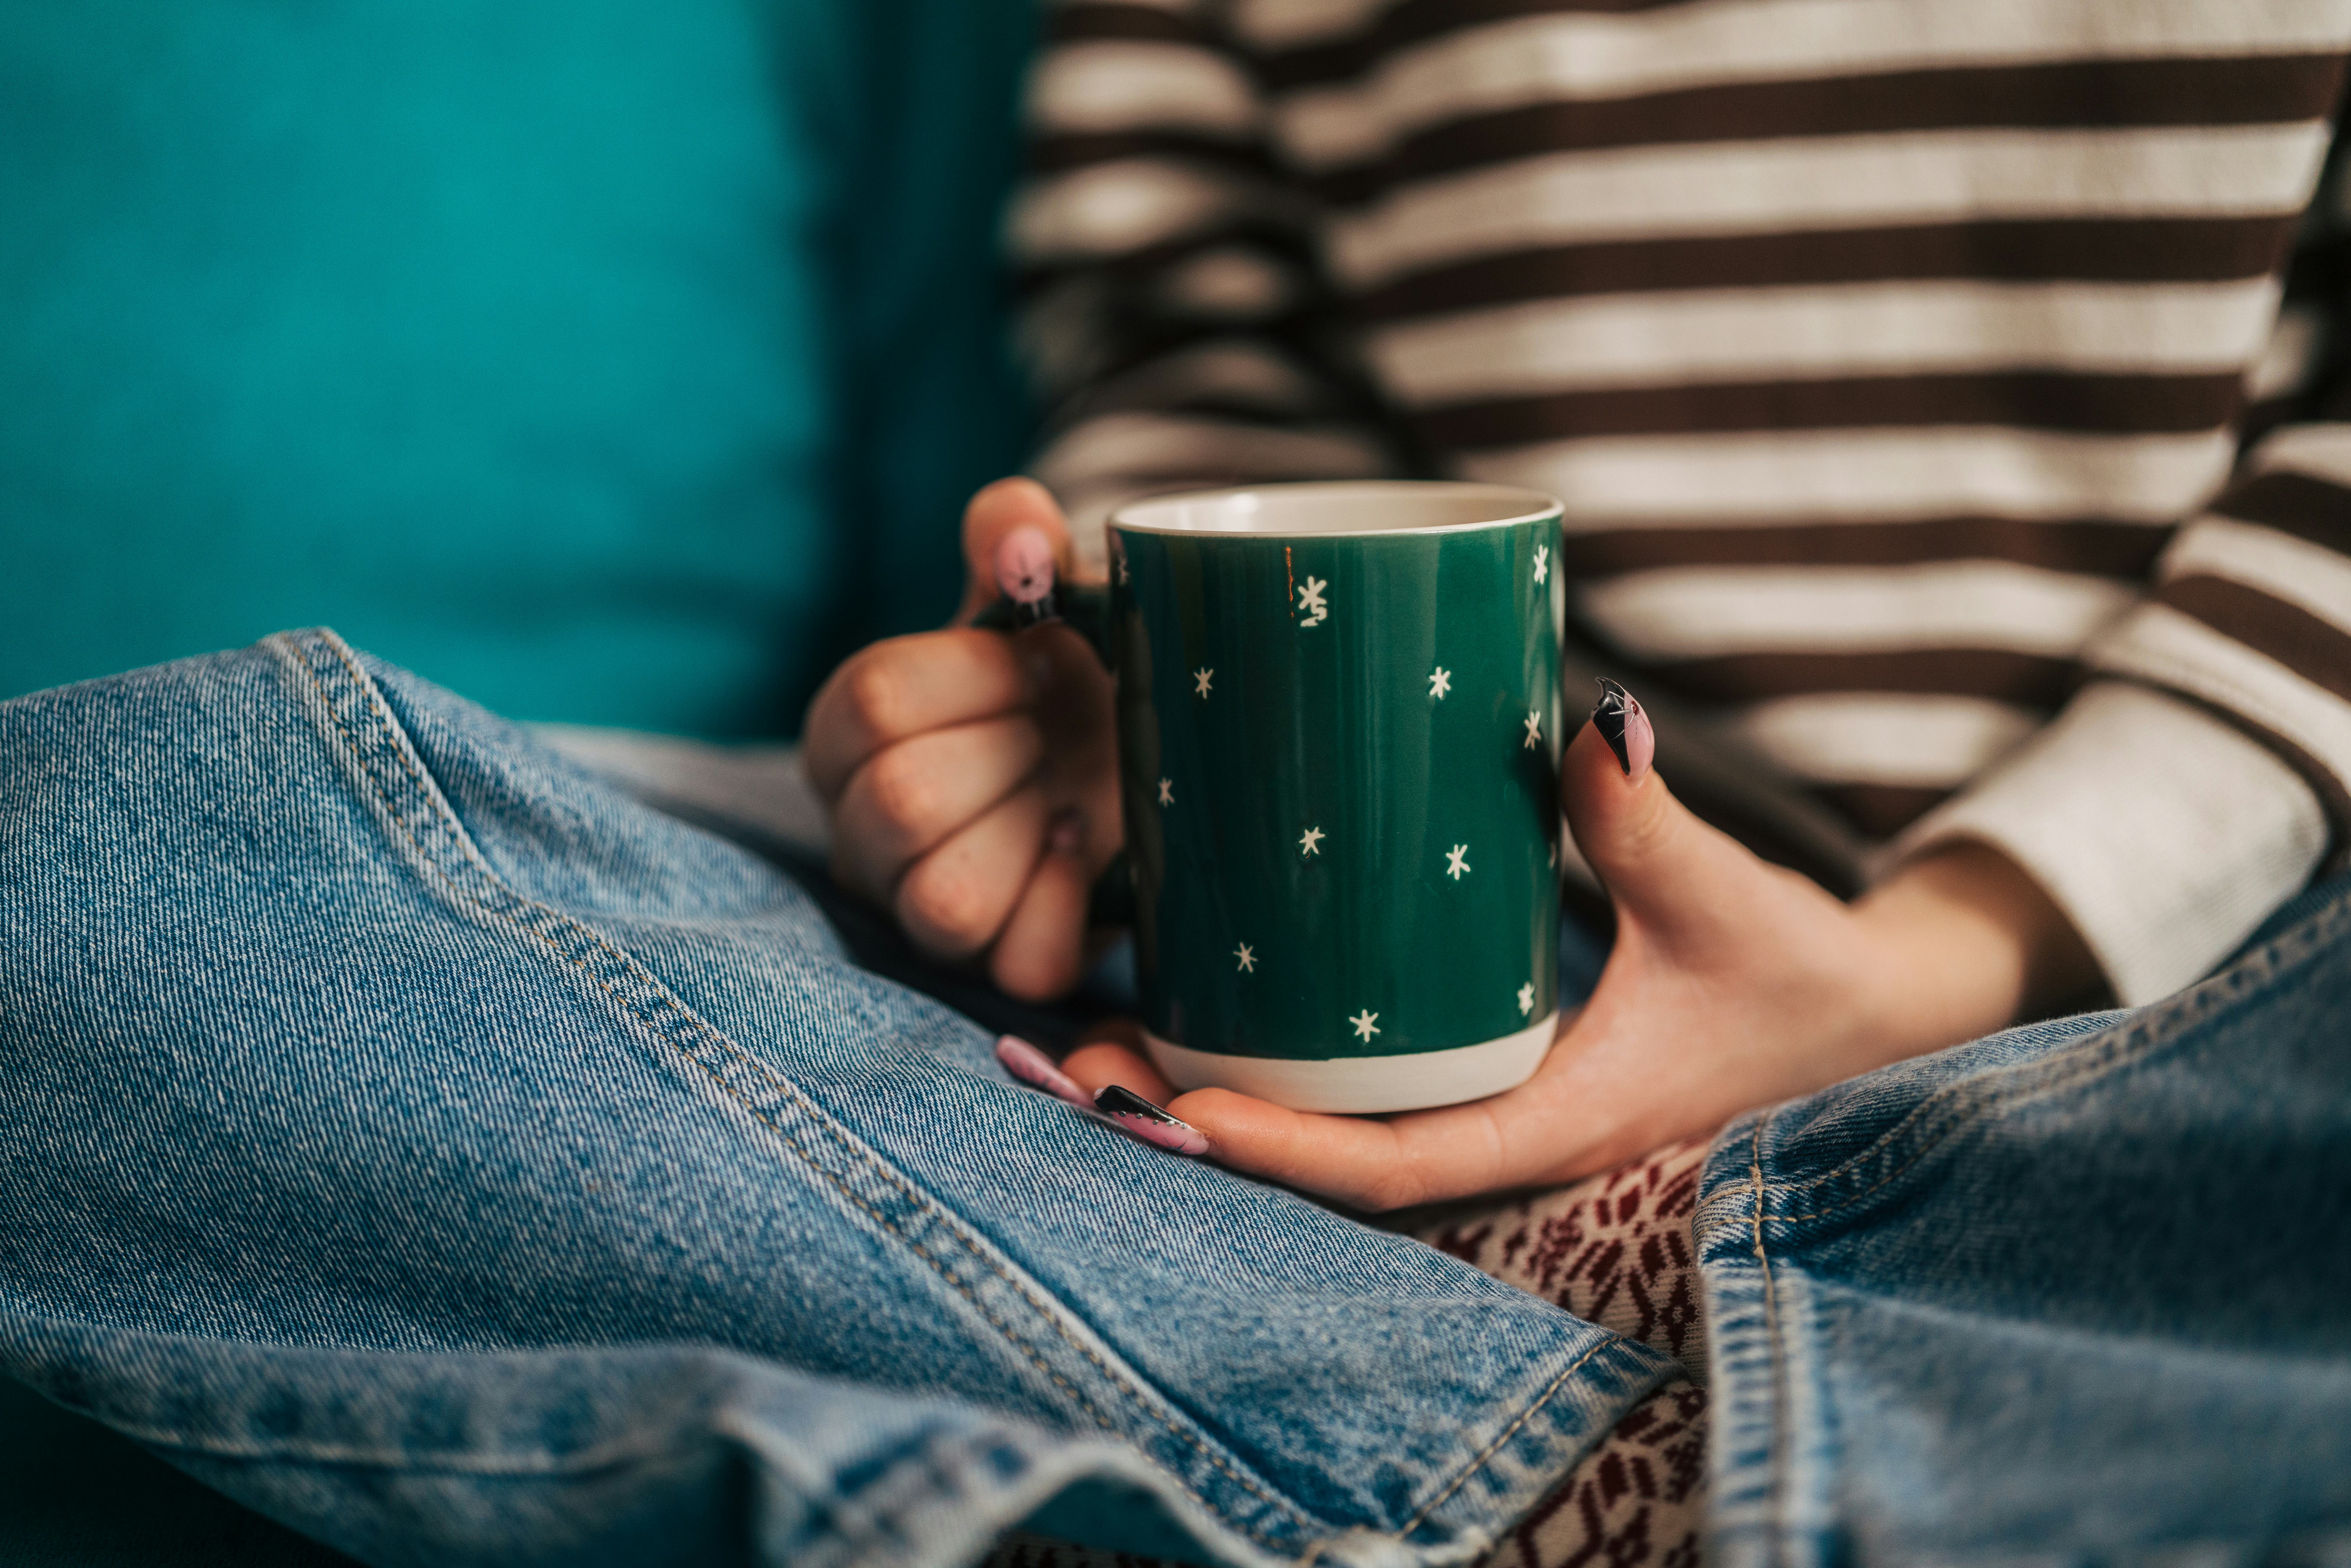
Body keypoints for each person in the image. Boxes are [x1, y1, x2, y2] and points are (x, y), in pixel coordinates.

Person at [806, 0, 2351, 1210]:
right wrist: (1151, 705)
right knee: (578, 883)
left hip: (2190, 969)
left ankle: (1532, 1371)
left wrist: (1935, 969)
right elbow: (1205, 335)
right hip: (1486, 939)